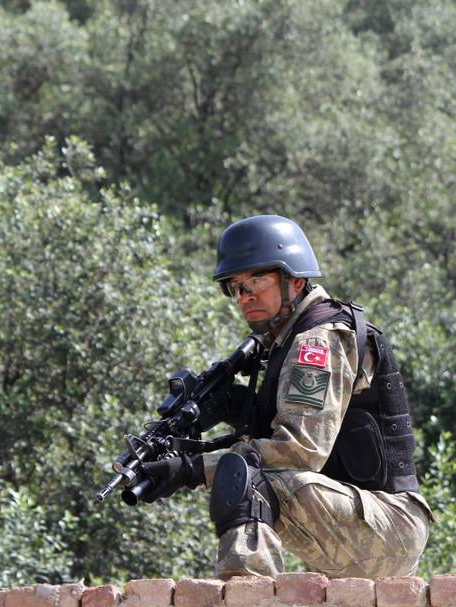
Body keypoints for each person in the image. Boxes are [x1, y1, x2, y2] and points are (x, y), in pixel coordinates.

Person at [140, 214, 433, 578]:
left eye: (256, 281)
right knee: (244, 468)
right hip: (362, 520)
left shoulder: (318, 340)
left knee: (244, 476)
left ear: (294, 279)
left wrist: (192, 469)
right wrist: (232, 407)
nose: (245, 297)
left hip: (390, 528)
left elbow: (299, 451)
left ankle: (248, 594)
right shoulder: (284, 342)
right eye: (236, 287)